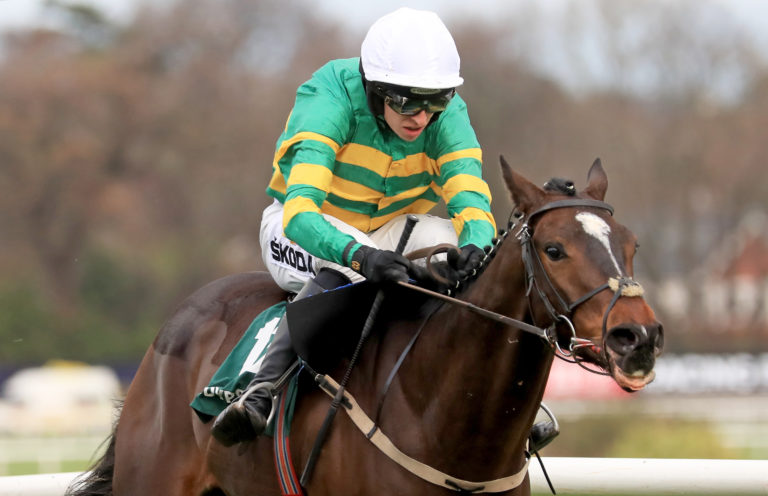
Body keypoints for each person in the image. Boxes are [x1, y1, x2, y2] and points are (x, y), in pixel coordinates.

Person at [210, 7, 496, 447]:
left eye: (434, 101)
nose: (421, 117)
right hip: (299, 229)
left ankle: (500, 395)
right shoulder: (329, 97)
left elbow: (470, 202)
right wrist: (362, 256)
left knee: (474, 260)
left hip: (391, 231)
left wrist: (478, 246)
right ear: (374, 87)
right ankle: (260, 392)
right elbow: (302, 213)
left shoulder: (448, 116)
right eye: (405, 100)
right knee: (352, 268)